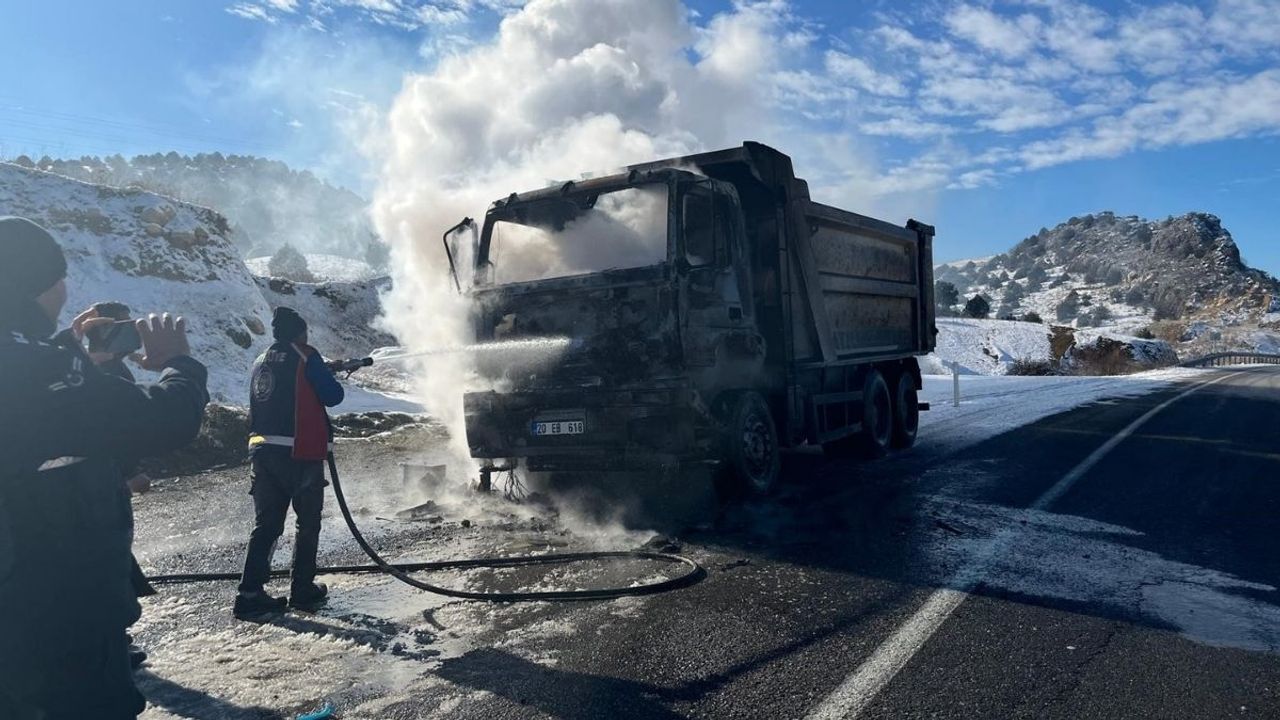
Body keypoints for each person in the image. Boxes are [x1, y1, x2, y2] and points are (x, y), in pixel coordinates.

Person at [0, 216, 209, 719]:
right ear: (35, 286)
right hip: (57, 607)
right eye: (57, 277)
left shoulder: (35, 362)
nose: (64, 289)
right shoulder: (45, 372)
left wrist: (73, 356)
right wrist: (180, 363)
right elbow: (165, 422)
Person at [234, 306, 345, 620]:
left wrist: (322, 369)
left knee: (266, 527)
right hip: (298, 454)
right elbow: (333, 396)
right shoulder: (307, 355)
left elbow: (289, 389)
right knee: (307, 524)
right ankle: (302, 589)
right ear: (300, 333)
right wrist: (324, 371)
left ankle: (250, 593)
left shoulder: (262, 360)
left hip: (262, 452)